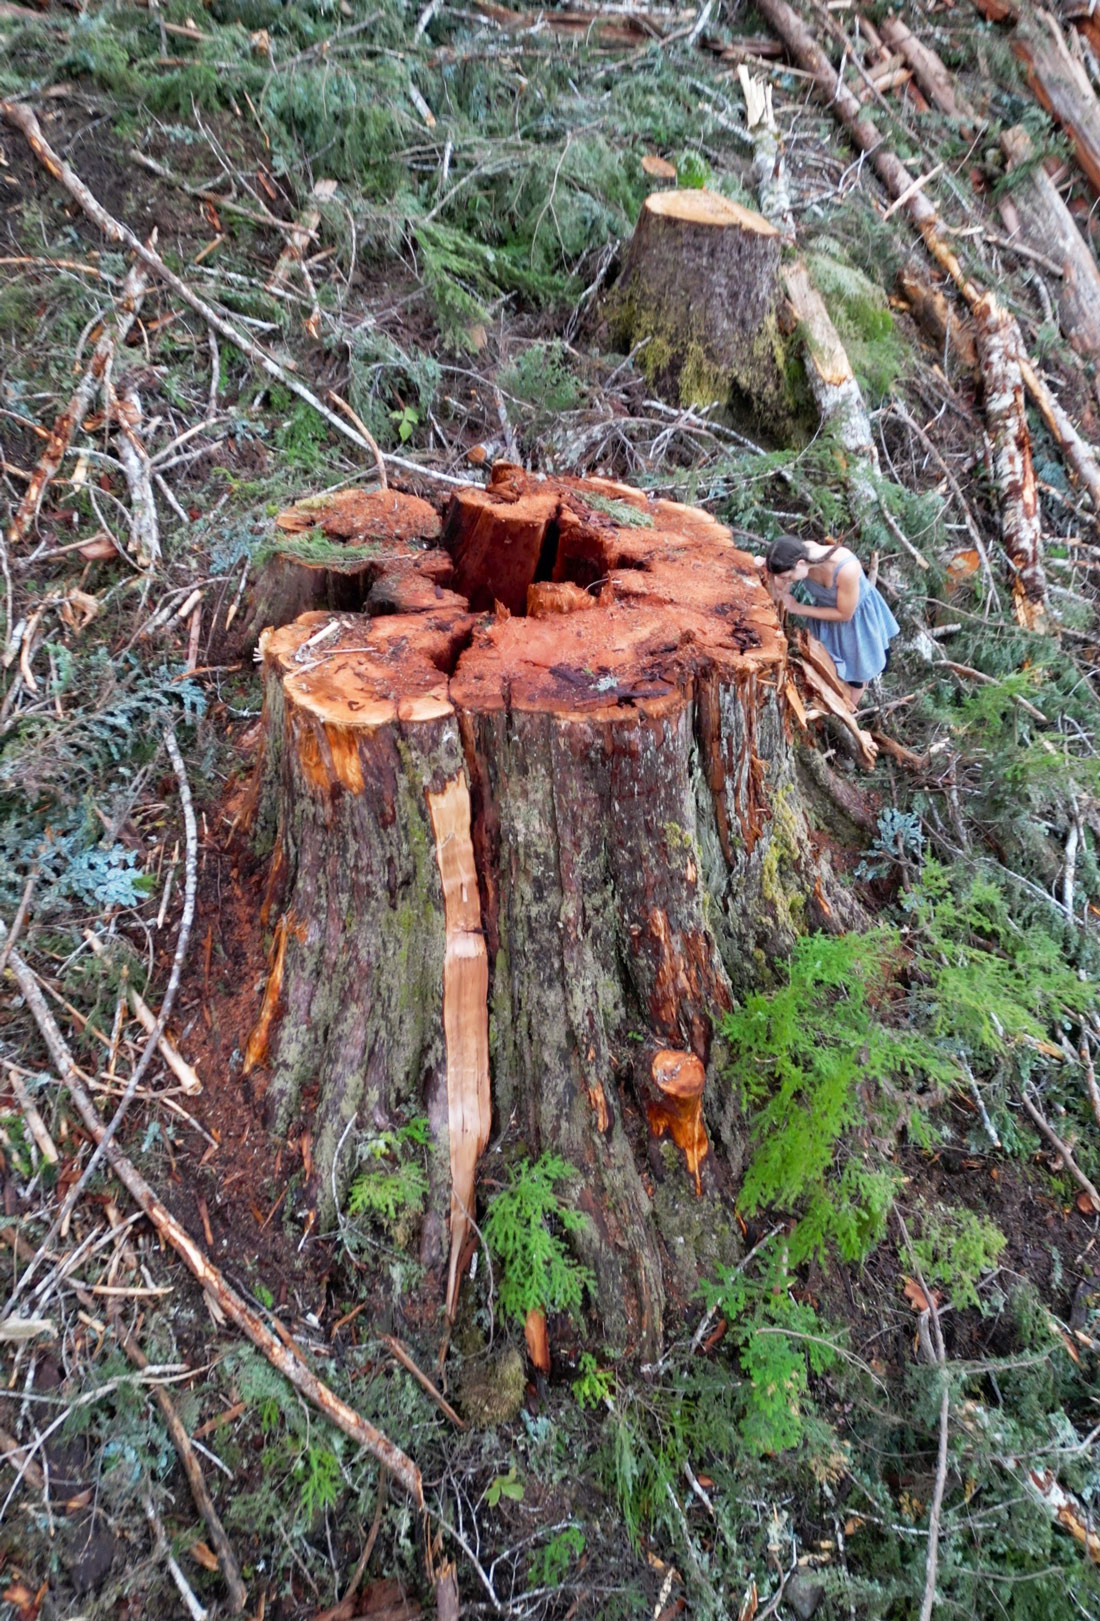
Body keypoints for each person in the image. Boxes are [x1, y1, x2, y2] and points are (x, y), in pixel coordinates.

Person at [761, 535, 899, 707]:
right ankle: (824, 704)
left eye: (788, 577)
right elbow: (781, 586)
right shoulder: (800, 554)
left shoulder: (846, 569)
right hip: (826, 618)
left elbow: (845, 614)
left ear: (801, 564)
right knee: (824, 667)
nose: (786, 580)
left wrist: (799, 608)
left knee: (856, 673)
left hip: (855, 623)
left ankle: (848, 713)